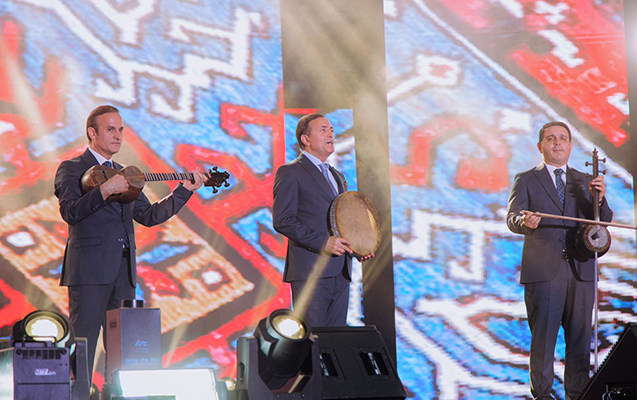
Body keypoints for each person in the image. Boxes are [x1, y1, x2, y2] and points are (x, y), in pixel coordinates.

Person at [54, 105, 205, 382]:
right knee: (83, 346)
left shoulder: (125, 173)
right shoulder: (72, 168)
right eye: (110, 129)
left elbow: (149, 215)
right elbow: (70, 212)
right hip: (89, 272)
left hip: (123, 274)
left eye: (121, 130)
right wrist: (104, 190)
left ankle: (117, 395)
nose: (118, 136)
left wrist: (184, 191)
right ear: (92, 133)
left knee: (125, 351)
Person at [506, 122, 613, 400]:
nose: (557, 143)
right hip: (544, 272)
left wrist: (600, 200)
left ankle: (577, 395)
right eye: (551, 138)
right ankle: (542, 396)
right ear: (540, 146)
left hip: (581, 270)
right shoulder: (526, 179)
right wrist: (525, 222)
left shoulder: (585, 180)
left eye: (563, 138)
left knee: (579, 340)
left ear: (570, 146)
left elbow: (603, 221)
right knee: (543, 340)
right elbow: (513, 218)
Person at [272, 113, 373, 328]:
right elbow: (283, 220)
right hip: (310, 272)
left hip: (341, 271)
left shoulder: (338, 176)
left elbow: (342, 221)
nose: (331, 134)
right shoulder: (291, 172)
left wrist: (360, 247)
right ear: (305, 139)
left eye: (332, 130)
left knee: (335, 341)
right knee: (314, 341)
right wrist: (323, 242)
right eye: (323, 130)